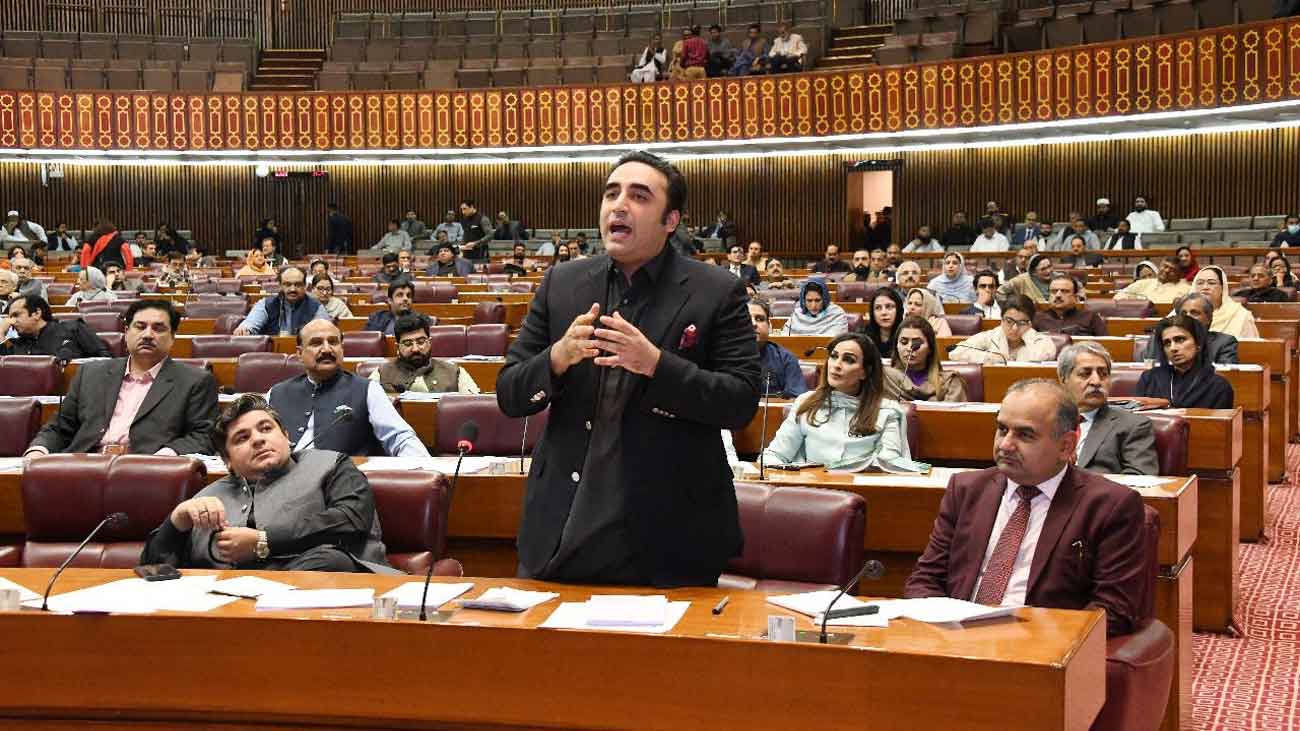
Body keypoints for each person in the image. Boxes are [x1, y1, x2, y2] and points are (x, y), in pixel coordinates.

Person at [496, 150, 761, 586]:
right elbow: (510, 394)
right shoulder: (562, 283)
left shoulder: (716, 290)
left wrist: (656, 365)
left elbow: (740, 403)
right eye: (611, 194)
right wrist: (558, 357)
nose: (618, 206)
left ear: (670, 220)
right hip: (561, 528)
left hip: (669, 538)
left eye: (639, 196)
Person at [904, 379, 1147, 637]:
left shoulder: (1109, 505)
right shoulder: (966, 490)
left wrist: (1030, 642)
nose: (1005, 445)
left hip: (1043, 646)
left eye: (1025, 435)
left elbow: (1113, 610)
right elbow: (925, 579)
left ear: (1065, 446)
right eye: (1002, 429)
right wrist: (942, 631)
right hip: (955, 639)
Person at [139, 394, 391, 573]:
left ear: (287, 437)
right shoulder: (207, 497)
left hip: (326, 590)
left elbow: (351, 520)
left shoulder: (332, 465)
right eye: (242, 438)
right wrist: (176, 522)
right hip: (226, 607)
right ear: (227, 461)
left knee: (330, 560)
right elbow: (153, 568)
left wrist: (264, 541)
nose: (258, 440)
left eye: (266, 429)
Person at [25, 300, 219, 457]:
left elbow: (204, 435)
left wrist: (167, 455)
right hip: (85, 465)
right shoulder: (90, 374)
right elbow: (60, 427)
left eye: (158, 328)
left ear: (173, 337)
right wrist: (38, 450)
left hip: (149, 470)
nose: (148, 335)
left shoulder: (195, 381)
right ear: (126, 333)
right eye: (140, 327)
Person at [269, 319, 430, 458]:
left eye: (333, 342)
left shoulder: (367, 390)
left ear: (342, 349)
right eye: (316, 343)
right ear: (299, 353)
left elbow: (400, 438)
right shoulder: (276, 393)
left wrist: (424, 467)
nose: (327, 349)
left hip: (341, 479)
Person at [762, 332, 915, 466]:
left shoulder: (886, 412)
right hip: (812, 487)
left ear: (865, 372)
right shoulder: (806, 403)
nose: (836, 365)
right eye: (834, 356)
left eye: (849, 360)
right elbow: (774, 455)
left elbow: (889, 465)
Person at [1057, 343, 1158, 476]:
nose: (1096, 381)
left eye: (1103, 374)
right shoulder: (1044, 421)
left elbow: (1141, 477)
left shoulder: (1133, 426)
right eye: (1085, 374)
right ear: (1063, 379)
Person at [1137, 315, 1234, 408]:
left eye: (1180, 340)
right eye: (1167, 343)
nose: (1173, 348)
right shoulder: (1149, 378)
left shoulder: (1218, 386)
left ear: (1198, 343)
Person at [370, 313, 479, 395]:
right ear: (397, 347)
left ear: (429, 342)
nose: (415, 349)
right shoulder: (380, 374)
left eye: (421, 342)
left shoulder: (455, 373)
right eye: (408, 344)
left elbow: (473, 407)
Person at [951, 294, 1057, 363]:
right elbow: (956, 351)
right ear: (1001, 319)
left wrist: (1027, 339)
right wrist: (992, 357)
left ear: (1030, 324)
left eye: (1022, 323)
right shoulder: (991, 335)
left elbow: (1047, 354)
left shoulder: (1040, 340)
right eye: (1009, 321)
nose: (1015, 328)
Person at [0, 294, 111, 360]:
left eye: (16, 315)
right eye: (10, 317)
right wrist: (0, 332)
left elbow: (105, 359)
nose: (12, 321)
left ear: (37, 313)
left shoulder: (73, 329)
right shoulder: (16, 344)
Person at [884, 316, 966, 402]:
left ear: (930, 348)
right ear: (896, 346)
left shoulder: (950, 382)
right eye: (904, 342)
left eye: (917, 343)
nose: (909, 348)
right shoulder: (885, 378)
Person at [1141, 293, 1239, 364]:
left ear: (1209, 318)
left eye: (1194, 313)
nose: (1187, 317)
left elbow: (1226, 377)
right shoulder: (1158, 340)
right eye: (1183, 313)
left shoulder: (1223, 343)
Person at [234, 267, 329, 336]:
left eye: (298, 284)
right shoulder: (266, 305)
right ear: (280, 286)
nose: (292, 289)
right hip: (272, 354)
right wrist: (244, 329)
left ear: (305, 286)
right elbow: (250, 324)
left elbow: (327, 333)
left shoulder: (316, 307)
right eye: (287, 284)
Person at [748, 298, 808, 399]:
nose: (753, 324)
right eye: (747, 319)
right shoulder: (723, 356)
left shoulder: (785, 358)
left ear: (769, 325)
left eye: (759, 319)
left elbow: (796, 400)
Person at [1193, 265, 1259, 338]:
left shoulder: (1240, 315)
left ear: (1222, 288)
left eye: (1211, 283)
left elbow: (1250, 344)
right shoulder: (1186, 314)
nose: (1205, 287)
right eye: (1200, 283)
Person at [1034, 274, 1107, 336]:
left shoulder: (1090, 317)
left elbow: (1106, 344)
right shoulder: (1037, 318)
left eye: (1065, 291)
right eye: (1054, 291)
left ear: (1075, 297)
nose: (1058, 295)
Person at [779, 278, 848, 335]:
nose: (813, 305)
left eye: (817, 300)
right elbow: (784, 337)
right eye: (809, 300)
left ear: (824, 299)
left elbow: (837, 341)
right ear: (803, 300)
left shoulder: (837, 314)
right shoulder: (797, 314)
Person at [1114, 256, 1191, 304]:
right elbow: (1119, 296)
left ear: (1179, 274)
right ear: (1160, 266)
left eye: (1172, 270)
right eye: (1165, 266)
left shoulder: (1186, 289)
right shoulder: (1142, 283)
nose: (1166, 271)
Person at [860, 286, 903, 359]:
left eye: (889, 307)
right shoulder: (863, 336)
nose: (883, 313)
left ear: (898, 309)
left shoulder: (906, 334)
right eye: (878, 308)